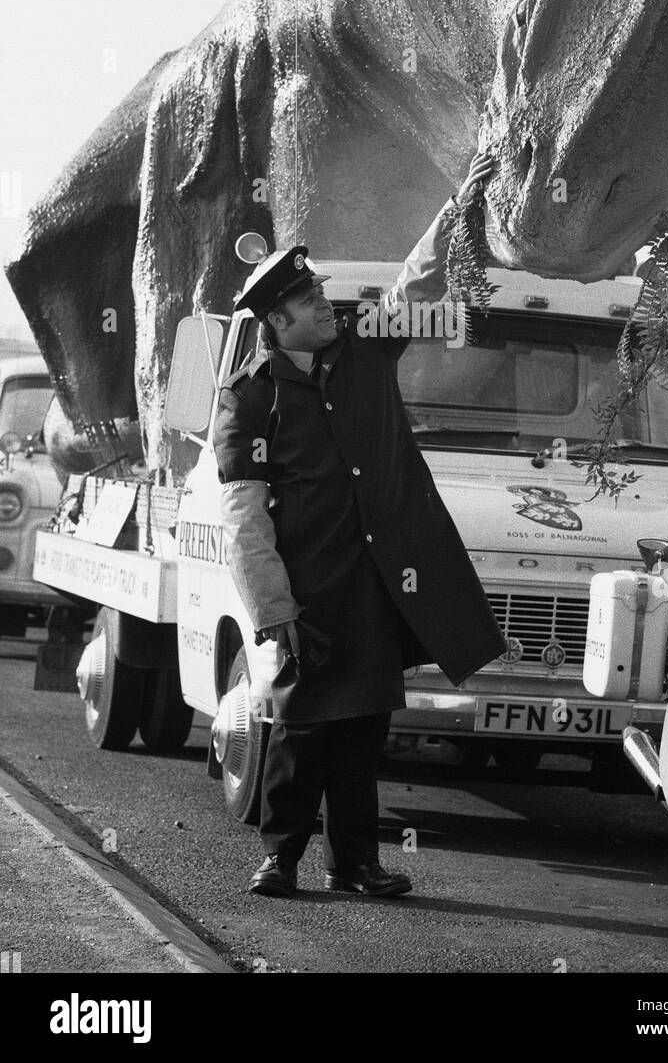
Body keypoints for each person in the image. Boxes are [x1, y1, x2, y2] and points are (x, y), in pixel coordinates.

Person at [213, 151, 505, 899]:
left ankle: (355, 865)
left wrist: (461, 208)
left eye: (318, 293)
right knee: (303, 724)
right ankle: (280, 856)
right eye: (307, 301)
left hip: (379, 581)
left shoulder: (363, 345)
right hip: (310, 589)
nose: (323, 305)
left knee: (363, 727)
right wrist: (272, 609)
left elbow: (421, 280)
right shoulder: (248, 400)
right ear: (277, 322)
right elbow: (244, 515)